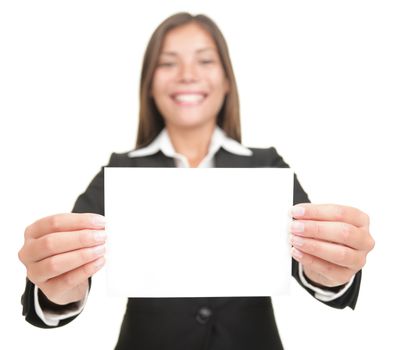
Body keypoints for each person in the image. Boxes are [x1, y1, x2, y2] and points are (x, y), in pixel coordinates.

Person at [18, 12, 375, 350]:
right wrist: (58, 285)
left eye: (205, 61)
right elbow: (67, 271)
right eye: (168, 62)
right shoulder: (121, 170)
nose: (187, 74)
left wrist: (331, 271)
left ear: (226, 82)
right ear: (149, 85)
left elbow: (310, 264)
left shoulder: (266, 165)